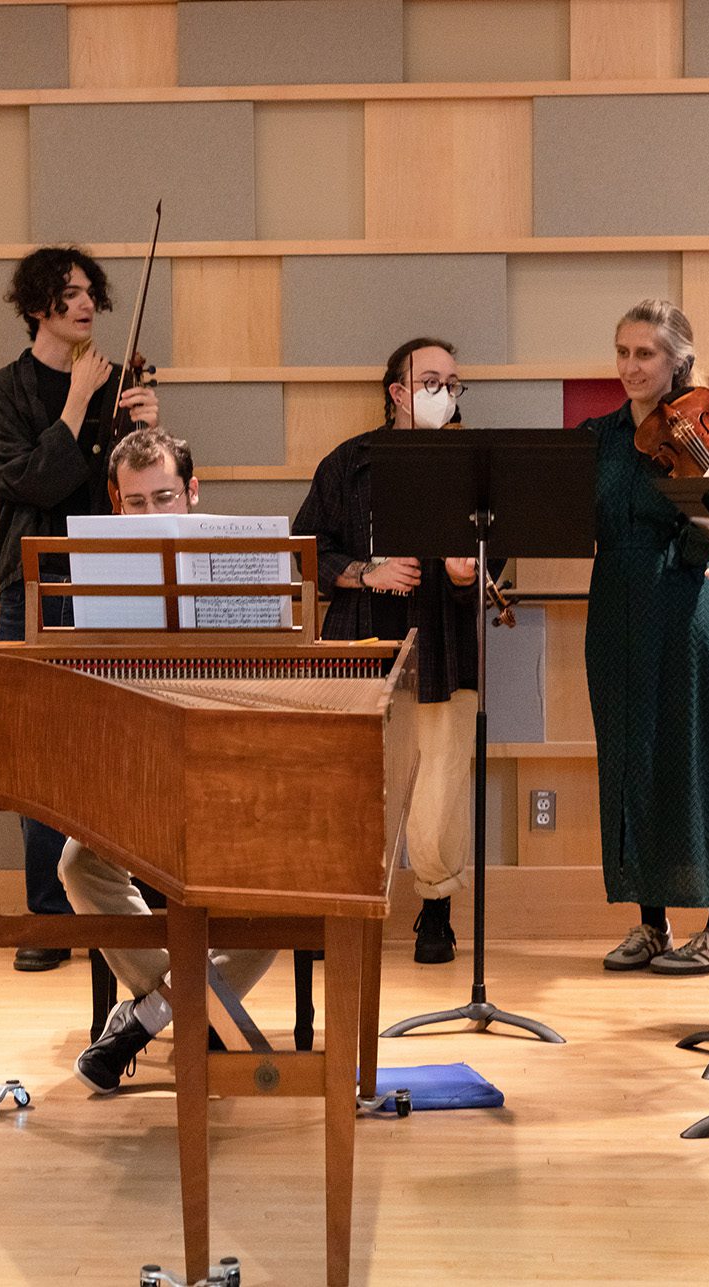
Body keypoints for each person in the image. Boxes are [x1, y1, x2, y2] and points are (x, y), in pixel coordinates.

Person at [69, 429, 276, 1091]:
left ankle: (149, 1014)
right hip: (141, 766)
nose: (153, 514)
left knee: (285, 882)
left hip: (231, 763)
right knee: (78, 864)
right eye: (136, 503)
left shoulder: (241, 561)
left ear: (192, 490)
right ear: (115, 506)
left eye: (164, 496)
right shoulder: (98, 575)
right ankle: (195, 1007)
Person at [0, 246, 160, 970]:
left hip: (117, 582)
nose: (86, 305)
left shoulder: (124, 385)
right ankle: (50, 920)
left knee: (127, 742)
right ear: (37, 305)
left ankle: (130, 906)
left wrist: (143, 429)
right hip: (37, 583)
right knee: (40, 750)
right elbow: (30, 483)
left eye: (91, 293)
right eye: (71, 294)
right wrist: (80, 403)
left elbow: (148, 486)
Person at [293, 338, 479, 965]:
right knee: (351, 786)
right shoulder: (347, 464)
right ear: (397, 392)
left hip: (443, 643)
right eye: (430, 381)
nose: (444, 394)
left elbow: (489, 558)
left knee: (441, 787)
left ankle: (436, 911)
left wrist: (463, 572)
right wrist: (363, 571)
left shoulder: (472, 462)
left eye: (453, 383)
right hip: (360, 645)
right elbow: (303, 551)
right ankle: (342, 907)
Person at [583, 300, 709, 975]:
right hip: (614, 607)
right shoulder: (600, 435)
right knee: (629, 759)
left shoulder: (703, 435)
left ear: (677, 359)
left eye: (643, 353)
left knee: (697, 757)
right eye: (622, 351)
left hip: (682, 605)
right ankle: (651, 920)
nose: (629, 366)